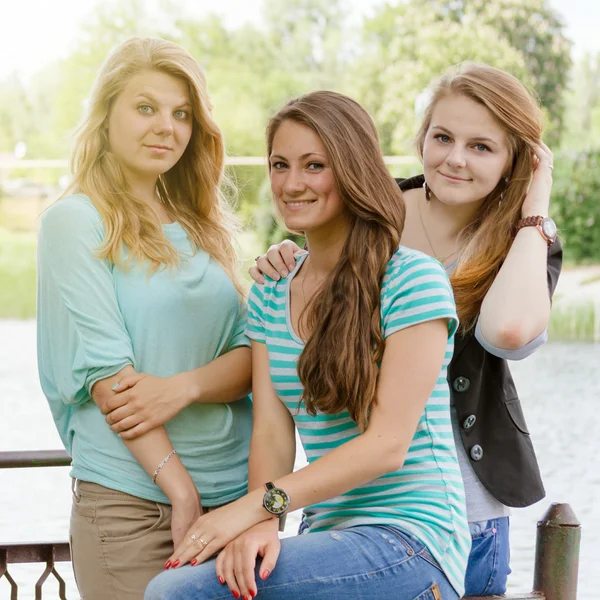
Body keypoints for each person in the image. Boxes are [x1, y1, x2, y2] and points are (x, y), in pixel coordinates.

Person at [250, 63, 563, 596]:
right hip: (343, 505)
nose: (455, 158)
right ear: (422, 139)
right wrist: (286, 254)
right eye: (442, 137)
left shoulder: (527, 243)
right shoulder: (368, 215)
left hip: (462, 517)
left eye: (482, 147)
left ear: (516, 161)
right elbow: (306, 298)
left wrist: (535, 207)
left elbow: (506, 331)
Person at [144, 90, 470, 600]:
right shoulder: (272, 290)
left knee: (177, 593)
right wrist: (262, 525)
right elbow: (272, 434)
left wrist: (256, 508)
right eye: (280, 164)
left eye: (314, 165)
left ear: (351, 170)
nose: (292, 183)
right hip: (325, 536)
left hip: (414, 542)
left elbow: (388, 446)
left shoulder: (412, 280)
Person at [36, 37, 253, 600]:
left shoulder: (203, 224)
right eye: (145, 107)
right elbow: (111, 379)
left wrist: (182, 388)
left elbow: (251, 356)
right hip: (134, 509)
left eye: (182, 114)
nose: (167, 127)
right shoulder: (74, 222)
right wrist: (181, 494)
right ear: (106, 114)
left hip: (235, 505)